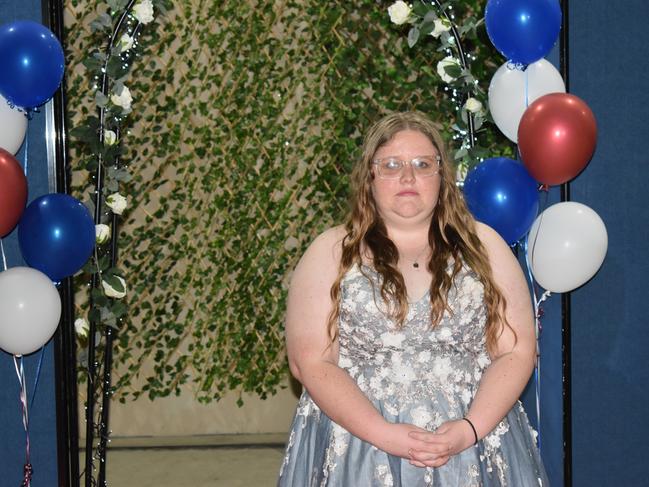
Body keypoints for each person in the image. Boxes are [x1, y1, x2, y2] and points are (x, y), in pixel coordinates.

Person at [278, 111, 548, 486]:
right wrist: (384, 434)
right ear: (369, 177)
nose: (408, 176)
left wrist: (469, 430)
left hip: (475, 446)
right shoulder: (330, 252)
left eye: (423, 164)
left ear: (442, 176)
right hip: (359, 449)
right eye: (391, 165)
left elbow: (517, 351)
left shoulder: (485, 246)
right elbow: (309, 362)